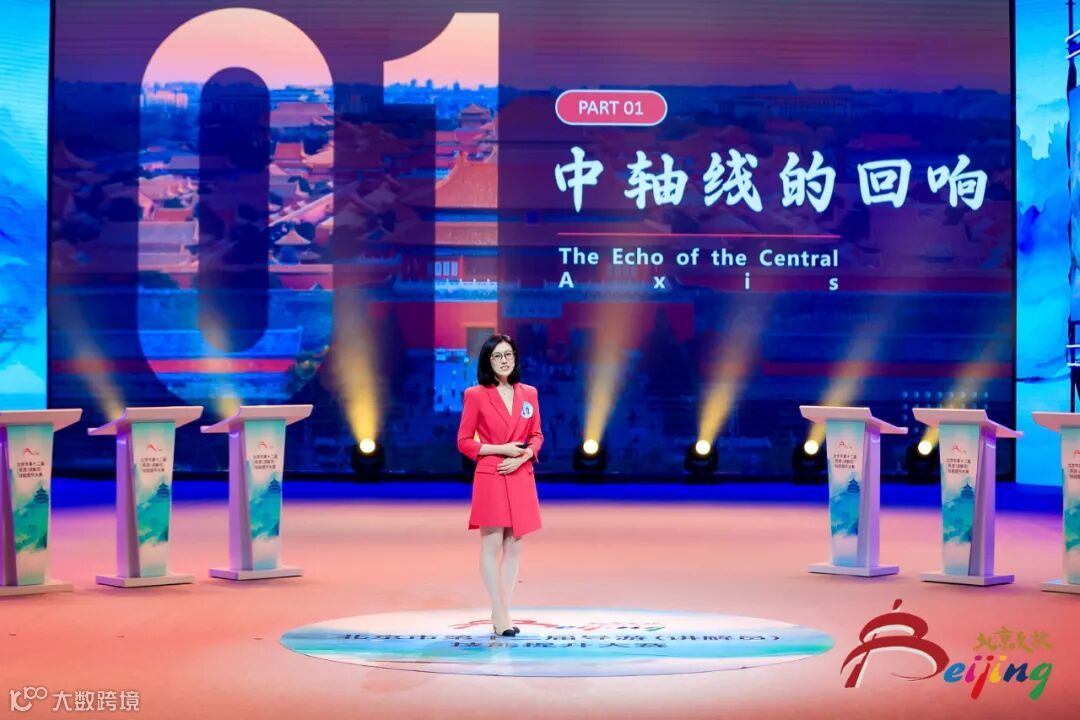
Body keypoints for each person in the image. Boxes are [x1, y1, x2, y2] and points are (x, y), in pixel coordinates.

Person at [456, 333, 543, 637]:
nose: (504, 361)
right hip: (492, 473)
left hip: (520, 474)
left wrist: (525, 456)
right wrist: (501, 449)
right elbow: (464, 441)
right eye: (497, 356)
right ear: (487, 361)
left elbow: (536, 435)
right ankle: (501, 612)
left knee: (515, 545)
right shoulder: (476, 395)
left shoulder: (529, 393)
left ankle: (501, 611)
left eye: (508, 355)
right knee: (492, 544)